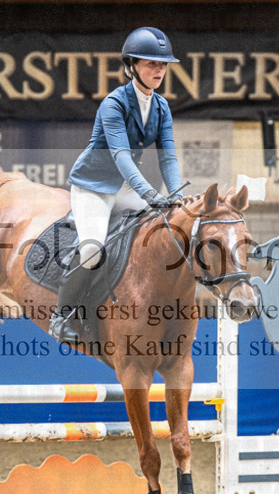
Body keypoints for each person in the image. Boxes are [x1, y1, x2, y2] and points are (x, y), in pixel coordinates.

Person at [49, 27, 184, 343]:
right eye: (152, 64)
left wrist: (177, 196)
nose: (159, 70)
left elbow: (168, 158)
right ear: (132, 65)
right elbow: (122, 155)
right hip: (94, 186)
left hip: (123, 188)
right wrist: (150, 193)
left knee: (160, 231)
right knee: (94, 251)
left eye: (163, 65)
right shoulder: (113, 103)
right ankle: (61, 316)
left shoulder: (161, 106)